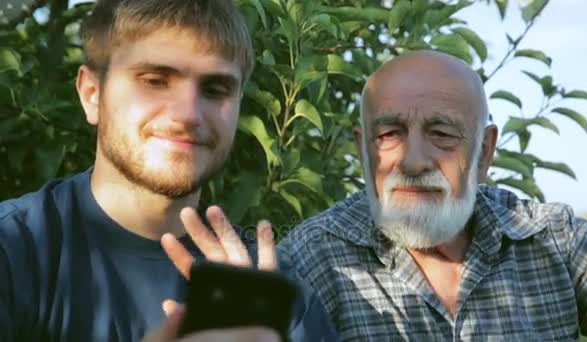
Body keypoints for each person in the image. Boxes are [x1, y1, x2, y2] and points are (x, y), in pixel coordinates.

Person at [0, 0, 337, 341]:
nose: (188, 113)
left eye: (215, 89)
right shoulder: (15, 249)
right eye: (155, 80)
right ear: (92, 94)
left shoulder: (275, 297)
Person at [277, 50, 587, 340]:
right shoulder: (309, 262)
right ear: (363, 151)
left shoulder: (553, 241)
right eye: (389, 133)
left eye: (441, 133)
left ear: (484, 152)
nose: (413, 161)